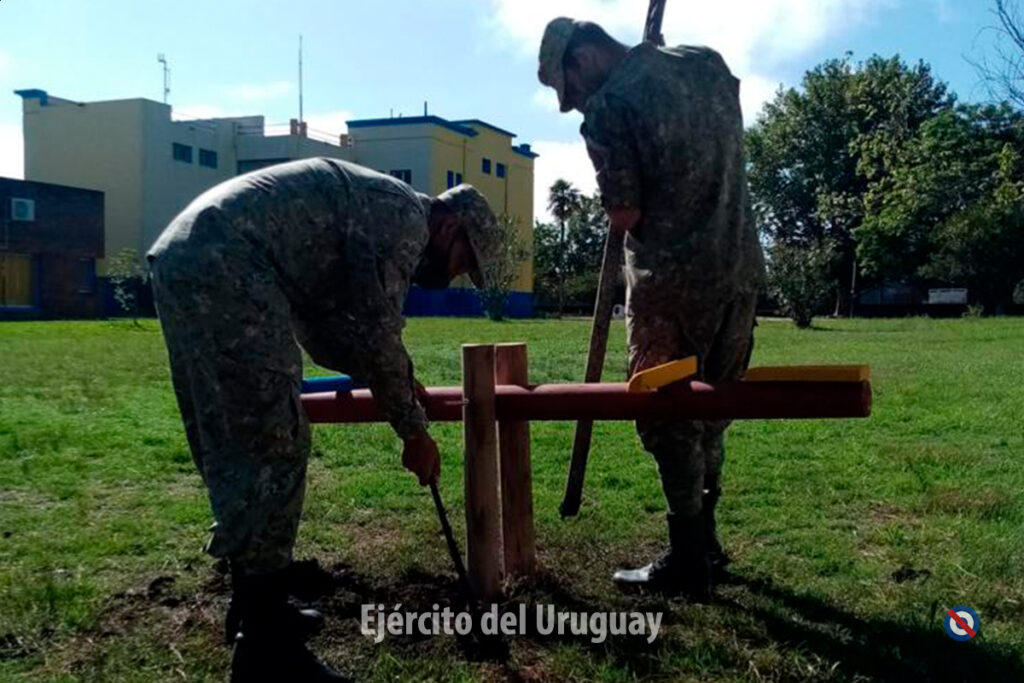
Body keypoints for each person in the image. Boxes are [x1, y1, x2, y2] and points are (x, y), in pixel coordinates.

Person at [147, 157, 500, 681]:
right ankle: (268, 654)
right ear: (449, 228)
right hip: (228, 264)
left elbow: (329, 330)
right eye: (463, 261)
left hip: (191, 254)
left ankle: (257, 610)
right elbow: (377, 334)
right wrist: (414, 432)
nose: (454, 277)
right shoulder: (405, 219)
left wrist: (396, 381)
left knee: (241, 442)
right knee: (274, 443)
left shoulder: (380, 209)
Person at [538, 18, 765, 600]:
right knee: (713, 406)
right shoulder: (704, 62)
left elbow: (626, 213)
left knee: (666, 412)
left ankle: (688, 559)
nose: (574, 104)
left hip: (670, 284)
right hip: (739, 267)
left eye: (569, 89)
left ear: (584, 57)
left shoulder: (609, 108)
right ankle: (706, 543)